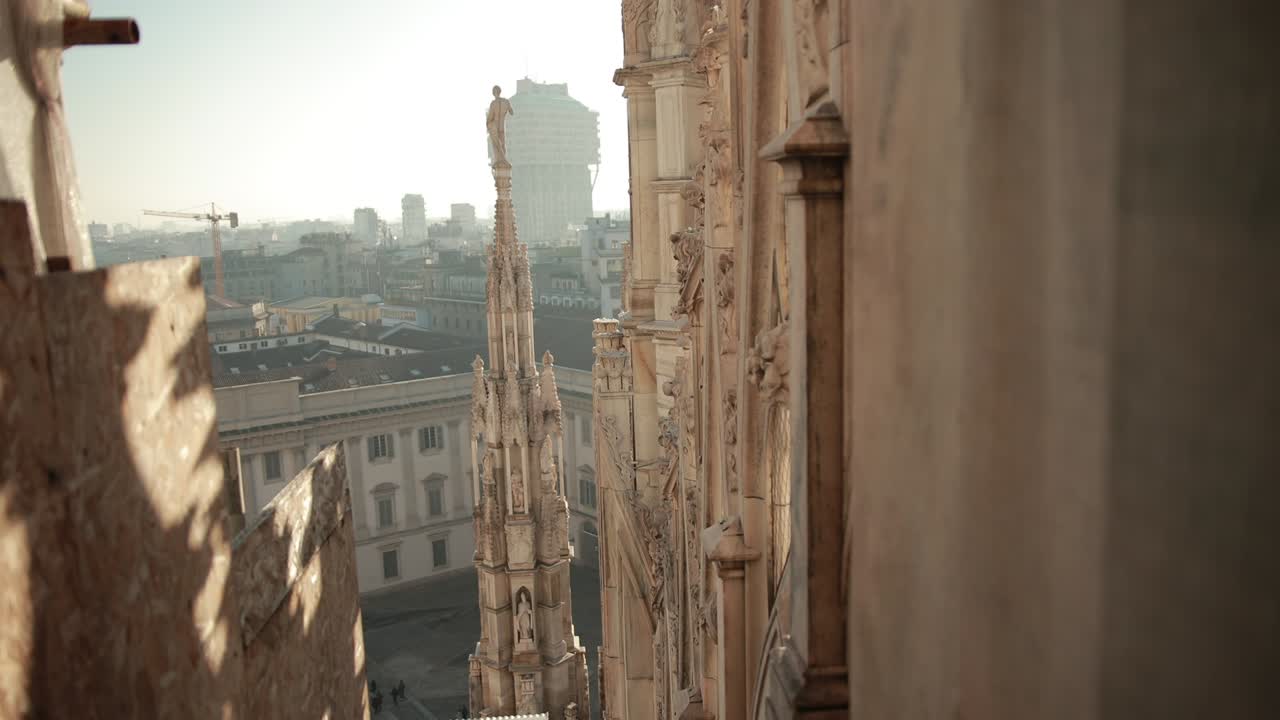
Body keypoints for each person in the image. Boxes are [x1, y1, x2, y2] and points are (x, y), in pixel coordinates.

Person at [486, 85, 515, 166]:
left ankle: (500, 160)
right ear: (500, 91)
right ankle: (503, 160)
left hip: (495, 127)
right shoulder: (506, 102)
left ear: (493, 93)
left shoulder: (493, 103)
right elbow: (512, 112)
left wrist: (487, 125)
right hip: (502, 126)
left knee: (496, 145)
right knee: (502, 144)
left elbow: (490, 117)